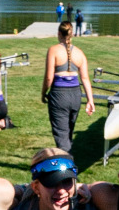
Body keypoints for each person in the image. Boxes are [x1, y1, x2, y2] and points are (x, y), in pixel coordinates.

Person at [40, 23, 94, 152]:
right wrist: (90, 100)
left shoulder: (53, 50)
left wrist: (43, 93)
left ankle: (67, 161)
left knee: (61, 135)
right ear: (72, 34)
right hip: (75, 96)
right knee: (69, 132)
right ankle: (67, 157)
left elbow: (48, 78)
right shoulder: (80, 53)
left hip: (59, 95)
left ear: (59, 33)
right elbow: (85, 79)